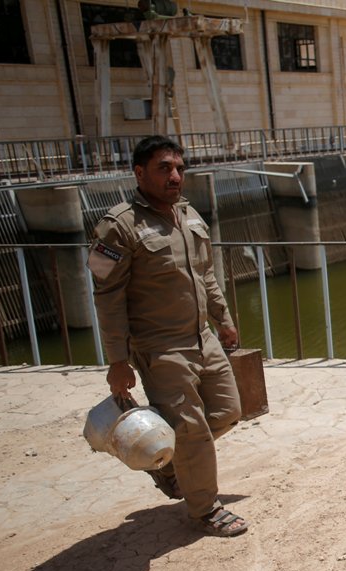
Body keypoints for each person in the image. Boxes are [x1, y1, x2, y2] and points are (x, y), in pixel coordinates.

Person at [87, 135, 248, 537]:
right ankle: (204, 508)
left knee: (228, 410)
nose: (175, 176)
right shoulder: (119, 227)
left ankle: (174, 465)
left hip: (202, 337)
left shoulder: (188, 214)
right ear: (139, 173)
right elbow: (107, 297)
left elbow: (205, 272)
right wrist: (118, 361)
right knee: (191, 428)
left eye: (179, 168)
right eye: (164, 168)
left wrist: (223, 319)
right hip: (161, 348)